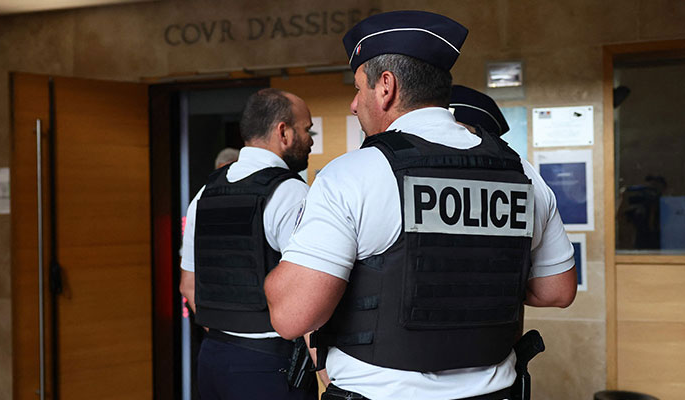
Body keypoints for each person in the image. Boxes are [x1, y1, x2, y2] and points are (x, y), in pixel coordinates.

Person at [264, 10, 577, 400]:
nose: (353, 104)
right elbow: (557, 291)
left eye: (359, 88)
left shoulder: (354, 174)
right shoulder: (523, 174)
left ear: (386, 88)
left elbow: (293, 316)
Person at [179, 88, 316, 400]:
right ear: (284, 131)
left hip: (213, 359)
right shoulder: (292, 194)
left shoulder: (205, 193)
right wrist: (327, 374)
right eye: (307, 130)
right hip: (270, 364)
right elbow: (308, 297)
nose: (311, 140)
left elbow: (188, 286)